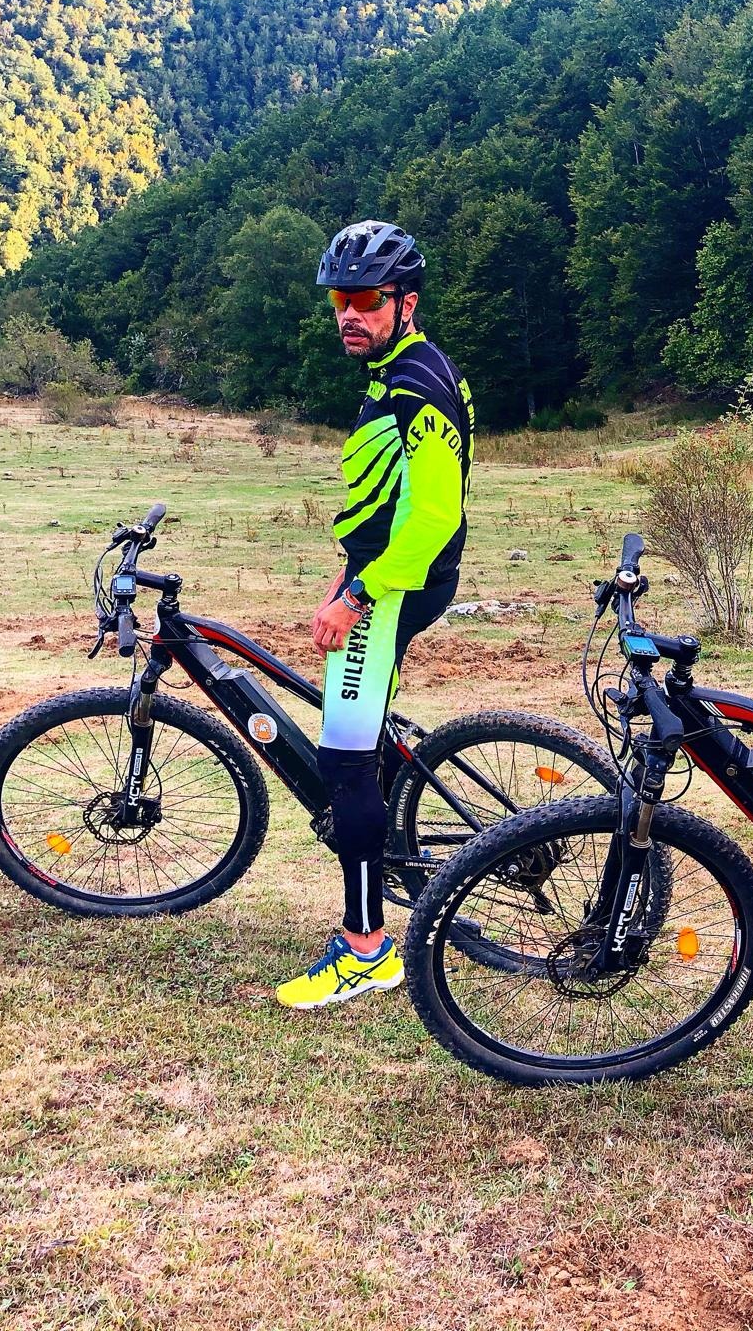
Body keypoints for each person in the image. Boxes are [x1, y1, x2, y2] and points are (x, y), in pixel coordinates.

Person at [275, 220, 475, 1010]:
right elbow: (383, 502)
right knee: (359, 748)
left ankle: (366, 950)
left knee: (344, 763)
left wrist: (359, 597)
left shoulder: (418, 385)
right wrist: (345, 574)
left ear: (406, 301)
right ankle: (384, 815)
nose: (350, 315)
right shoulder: (392, 372)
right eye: (340, 302)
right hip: (377, 577)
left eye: (367, 300)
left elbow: (432, 518)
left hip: (396, 587)